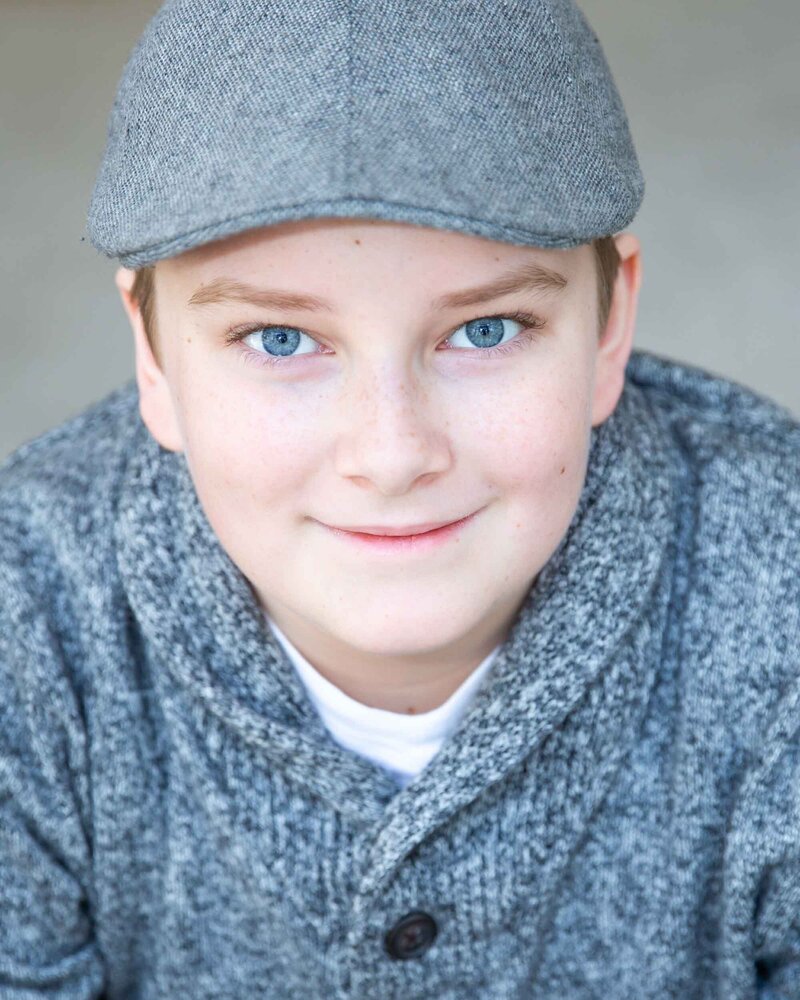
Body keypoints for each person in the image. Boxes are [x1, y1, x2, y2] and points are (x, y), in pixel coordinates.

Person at [0, 1, 798, 997]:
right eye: (280, 340)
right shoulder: (26, 625)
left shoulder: (778, 601)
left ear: (606, 327)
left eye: (486, 330)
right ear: (154, 356)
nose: (390, 453)